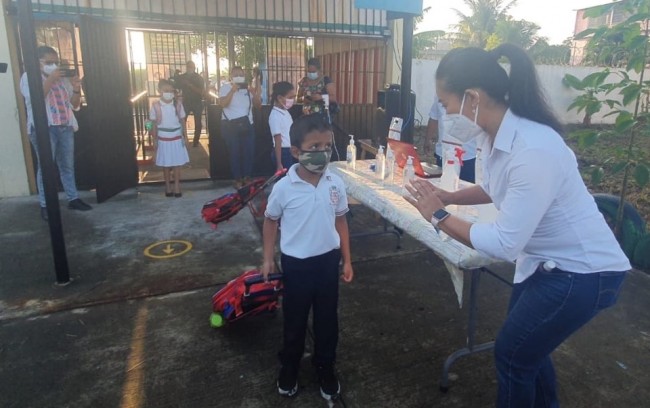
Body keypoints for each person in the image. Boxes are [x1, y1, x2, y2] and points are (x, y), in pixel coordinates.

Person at [404, 44, 631, 408]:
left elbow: (504, 242)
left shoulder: (533, 148)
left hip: (584, 273)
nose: (444, 113)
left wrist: (438, 216)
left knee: (514, 355)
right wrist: (447, 198)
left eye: (446, 104)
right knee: (527, 351)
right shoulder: (495, 137)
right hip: (547, 264)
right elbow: (495, 189)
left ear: (472, 98)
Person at [261, 114, 354, 401]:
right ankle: (289, 366)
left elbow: (341, 222)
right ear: (296, 151)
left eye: (327, 146)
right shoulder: (283, 188)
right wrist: (268, 258)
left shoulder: (335, 183)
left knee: (327, 321)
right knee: (295, 321)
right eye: (315, 146)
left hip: (328, 262)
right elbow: (270, 221)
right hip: (296, 266)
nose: (323, 153)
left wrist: (347, 259)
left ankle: (325, 366)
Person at [20, 45, 92, 221]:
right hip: (44, 129)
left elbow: (75, 105)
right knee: (46, 167)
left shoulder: (62, 79)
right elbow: (36, 98)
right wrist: (50, 79)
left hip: (65, 126)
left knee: (67, 165)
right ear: (38, 63)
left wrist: (76, 88)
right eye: (49, 62)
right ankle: (46, 204)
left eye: (56, 62)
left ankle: (73, 198)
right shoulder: (29, 78)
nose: (54, 65)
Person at [219, 66, 261, 188]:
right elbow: (223, 104)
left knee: (249, 152)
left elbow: (258, 106)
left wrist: (254, 93)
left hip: (247, 124)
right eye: (235, 74)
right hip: (230, 125)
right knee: (234, 152)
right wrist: (232, 90)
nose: (238, 77)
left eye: (240, 74)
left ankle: (247, 177)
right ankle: (237, 179)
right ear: (230, 77)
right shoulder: (225, 88)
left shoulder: (247, 89)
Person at [149, 79, 189, 197]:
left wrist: (185, 137)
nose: (169, 93)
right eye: (166, 90)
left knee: (177, 164)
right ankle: (167, 186)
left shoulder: (177, 104)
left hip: (176, 137)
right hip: (163, 138)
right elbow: (153, 123)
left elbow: (182, 120)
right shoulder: (155, 106)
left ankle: (177, 186)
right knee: (166, 165)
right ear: (159, 91)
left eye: (171, 91)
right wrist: (154, 139)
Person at [425, 94, 477, 183]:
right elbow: (434, 117)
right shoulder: (440, 94)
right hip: (444, 153)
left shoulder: (474, 95)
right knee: (444, 186)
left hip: (467, 156)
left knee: (466, 190)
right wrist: (427, 139)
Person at [269, 81, 297, 171]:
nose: (293, 100)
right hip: (283, 153)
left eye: (294, 97)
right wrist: (279, 163)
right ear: (280, 98)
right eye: (290, 97)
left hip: (289, 150)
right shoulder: (275, 116)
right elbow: (278, 140)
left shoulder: (285, 111)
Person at [176, 61, 206, 147]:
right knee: (182, 120)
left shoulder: (199, 78)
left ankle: (196, 141)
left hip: (197, 102)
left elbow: (201, 92)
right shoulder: (182, 77)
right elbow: (177, 87)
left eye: (191, 67)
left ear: (194, 67)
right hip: (186, 102)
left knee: (198, 122)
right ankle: (184, 139)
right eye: (188, 66)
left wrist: (190, 85)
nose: (189, 68)